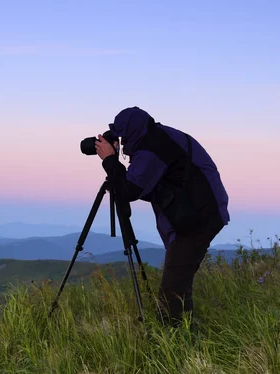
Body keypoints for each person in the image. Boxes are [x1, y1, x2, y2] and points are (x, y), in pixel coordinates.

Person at [94, 106, 230, 326]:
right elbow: (147, 185)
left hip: (197, 219)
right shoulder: (157, 139)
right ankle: (184, 329)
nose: (122, 141)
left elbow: (130, 190)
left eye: (122, 135)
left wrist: (110, 161)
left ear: (131, 131)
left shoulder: (153, 147)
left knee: (172, 287)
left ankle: (174, 340)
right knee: (179, 279)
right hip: (200, 214)